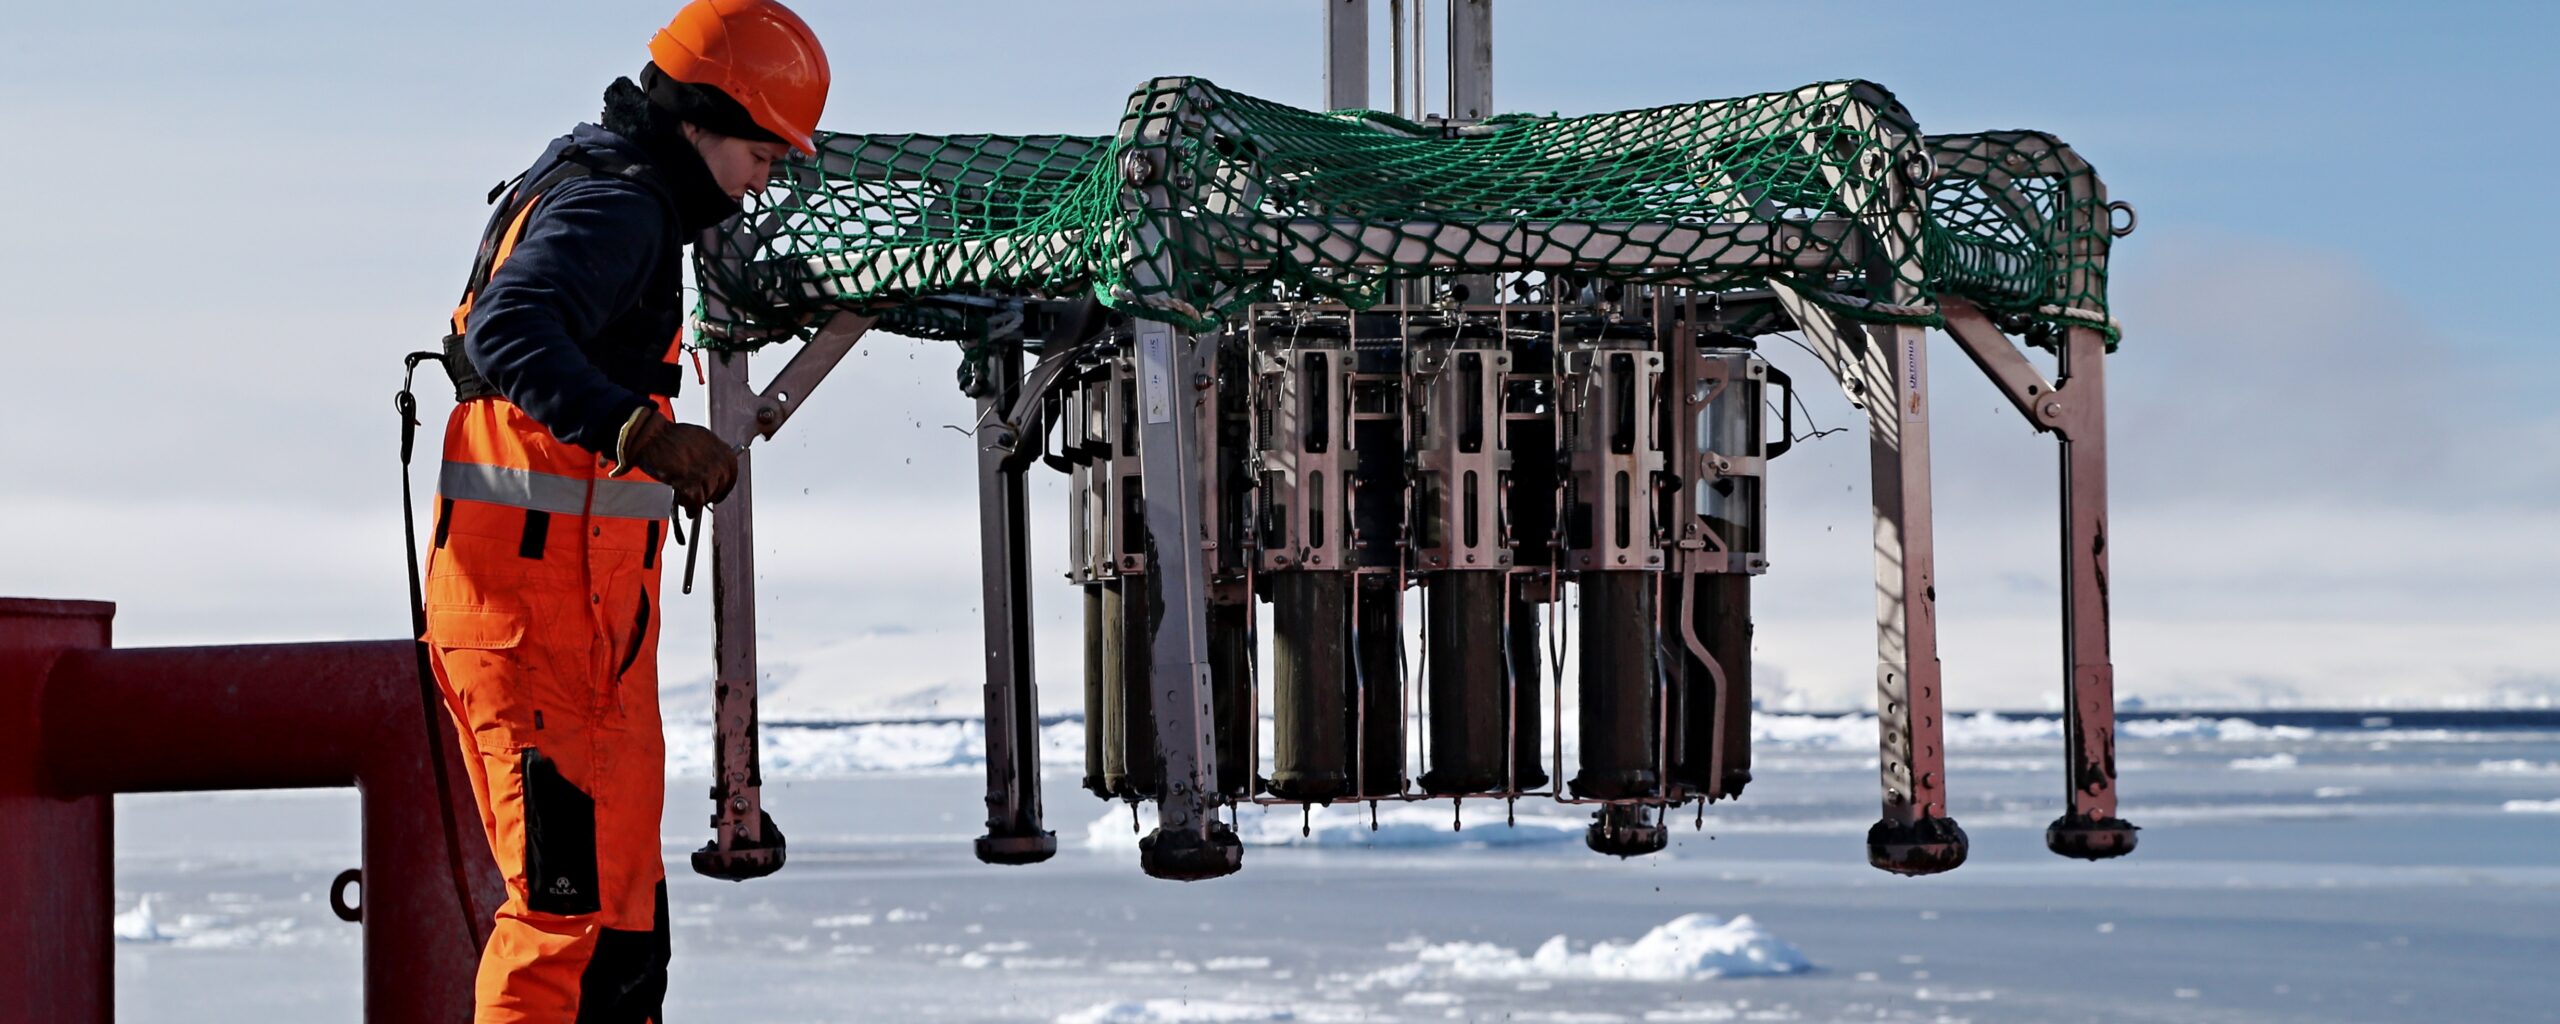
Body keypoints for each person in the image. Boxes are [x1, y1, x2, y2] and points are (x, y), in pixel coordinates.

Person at [419, 1, 827, 1018]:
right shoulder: (621, 206)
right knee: (562, 917)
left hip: (588, 636)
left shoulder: (605, 182)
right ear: (702, 117)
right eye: (761, 152)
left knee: (626, 922)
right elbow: (513, 330)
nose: (762, 178)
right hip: (533, 632)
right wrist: (640, 435)